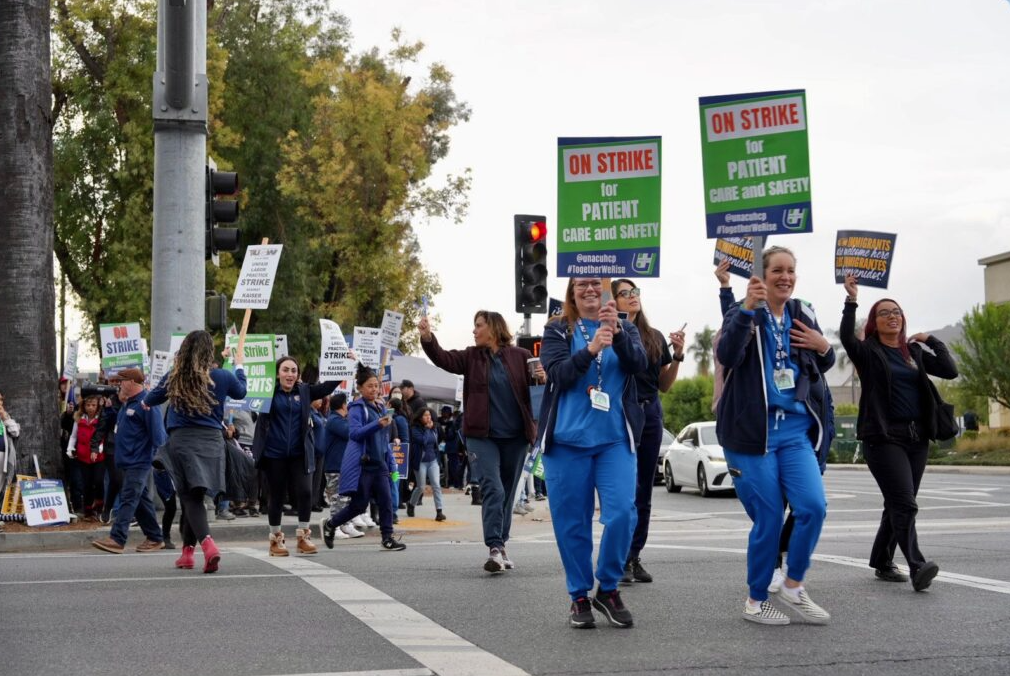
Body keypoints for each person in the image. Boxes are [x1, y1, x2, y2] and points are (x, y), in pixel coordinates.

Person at [716, 246, 834, 626]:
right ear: (762, 275)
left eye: (790, 271)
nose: (785, 277)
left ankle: (793, 585)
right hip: (753, 434)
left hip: (796, 431)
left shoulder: (802, 312)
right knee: (768, 517)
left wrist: (825, 346)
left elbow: (823, 364)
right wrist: (746, 309)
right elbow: (729, 355)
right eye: (777, 271)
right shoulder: (743, 311)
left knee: (813, 507)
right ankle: (754, 601)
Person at [535, 277, 648, 628]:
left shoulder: (624, 327)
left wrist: (615, 331)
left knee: (622, 515)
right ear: (572, 292)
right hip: (566, 443)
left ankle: (609, 587)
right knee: (572, 524)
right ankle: (579, 596)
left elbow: (639, 365)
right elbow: (558, 374)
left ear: (607, 291)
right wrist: (591, 349)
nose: (589, 290)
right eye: (581, 284)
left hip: (614, 439)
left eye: (596, 285)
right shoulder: (558, 329)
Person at [840, 274, 958, 591]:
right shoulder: (868, 352)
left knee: (899, 502)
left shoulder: (912, 353)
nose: (893, 317)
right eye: (885, 313)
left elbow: (950, 370)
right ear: (874, 323)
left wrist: (931, 340)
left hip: (916, 438)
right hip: (883, 437)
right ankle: (917, 565)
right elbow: (847, 339)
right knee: (904, 504)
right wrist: (851, 301)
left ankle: (881, 559)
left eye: (897, 312)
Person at [419, 310, 542, 573]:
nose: (474, 331)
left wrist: (542, 377)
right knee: (493, 489)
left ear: (494, 328)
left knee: (508, 495)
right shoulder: (471, 357)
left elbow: (537, 388)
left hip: (517, 437)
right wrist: (428, 338)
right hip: (481, 436)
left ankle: (502, 545)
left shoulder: (521, 356)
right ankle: (494, 548)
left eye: (478, 326)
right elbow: (443, 358)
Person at [145, 330, 247, 574]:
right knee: (197, 496)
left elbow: (151, 398)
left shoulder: (175, 377)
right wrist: (239, 366)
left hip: (182, 442)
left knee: (190, 499)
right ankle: (187, 554)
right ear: (209, 351)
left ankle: (208, 545)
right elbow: (241, 391)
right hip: (211, 442)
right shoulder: (221, 376)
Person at [612, 278, 686, 584]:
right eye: (624, 293)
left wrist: (679, 354)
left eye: (635, 292)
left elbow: (664, 385)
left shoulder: (653, 336)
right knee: (623, 490)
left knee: (644, 490)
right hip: (621, 411)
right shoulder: (611, 333)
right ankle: (617, 556)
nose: (632, 297)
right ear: (612, 300)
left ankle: (633, 556)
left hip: (651, 411)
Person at [251, 357, 338, 557]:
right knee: (277, 497)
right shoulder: (268, 391)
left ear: (298, 375)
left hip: (300, 454)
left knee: (306, 492)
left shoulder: (305, 391)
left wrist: (345, 366)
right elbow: (244, 388)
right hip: (274, 454)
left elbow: (327, 387)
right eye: (285, 370)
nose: (290, 374)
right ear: (278, 373)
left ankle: (303, 537)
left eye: (293, 371)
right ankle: (275, 540)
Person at [321, 364, 405, 551]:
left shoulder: (381, 407)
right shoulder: (357, 408)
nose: (374, 389)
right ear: (360, 388)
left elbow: (384, 441)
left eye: (376, 385)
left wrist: (391, 464)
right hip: (364, 465)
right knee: (359, 505)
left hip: (380, 463)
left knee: (386, 501)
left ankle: (387, 538)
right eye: (370, 386)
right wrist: (377, 424)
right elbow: (355, 434)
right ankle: (331, 524)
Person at [92, 368, 168, 554]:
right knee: (140, 501)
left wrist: (157, 459)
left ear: (133, 382)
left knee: (128, 498)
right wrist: (109, 409)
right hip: (128, 461)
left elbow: (158, 436)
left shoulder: (147, 404)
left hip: (139, 462)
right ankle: (155, 537)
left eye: (122, 381)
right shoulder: (128, 404)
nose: (119, 384)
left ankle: (117, 538)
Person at [67, 396, 105, 521]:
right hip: (83, 456)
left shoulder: (101, 419)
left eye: (93, 405)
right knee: (86, 483)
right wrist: (70, 448)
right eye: (88, 405)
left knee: (98, 481)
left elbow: (102, 435)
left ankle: (100, 507)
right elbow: (73, 436)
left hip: (98, 457)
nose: (90, 408)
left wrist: (99, 449)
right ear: (84, 406)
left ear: (97, 406)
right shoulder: (79, 420)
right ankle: (88, 510)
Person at [406, 407, 446, 521]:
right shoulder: (415, 429)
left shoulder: (434, 427)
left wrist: (432, 429)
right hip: (420, 462)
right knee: (421, 487)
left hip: (432, 460)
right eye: (425, 415)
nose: (428, 417)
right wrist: (428, 429)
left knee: (436, 485)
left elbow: (436, 441)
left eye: (429, 415)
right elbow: (423, 441)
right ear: (419, 417)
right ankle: (411, 504)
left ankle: (439, 511)